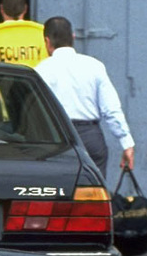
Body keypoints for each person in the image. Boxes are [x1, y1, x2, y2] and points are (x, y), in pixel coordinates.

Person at [35, 16, 135, 178]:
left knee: (58, 196)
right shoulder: (94, 66)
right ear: (73, 37)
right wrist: (127, 143)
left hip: (56, 140)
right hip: (91, 138)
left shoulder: (41, 71)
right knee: (94, 197)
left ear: (47, 41)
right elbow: (111, 109)